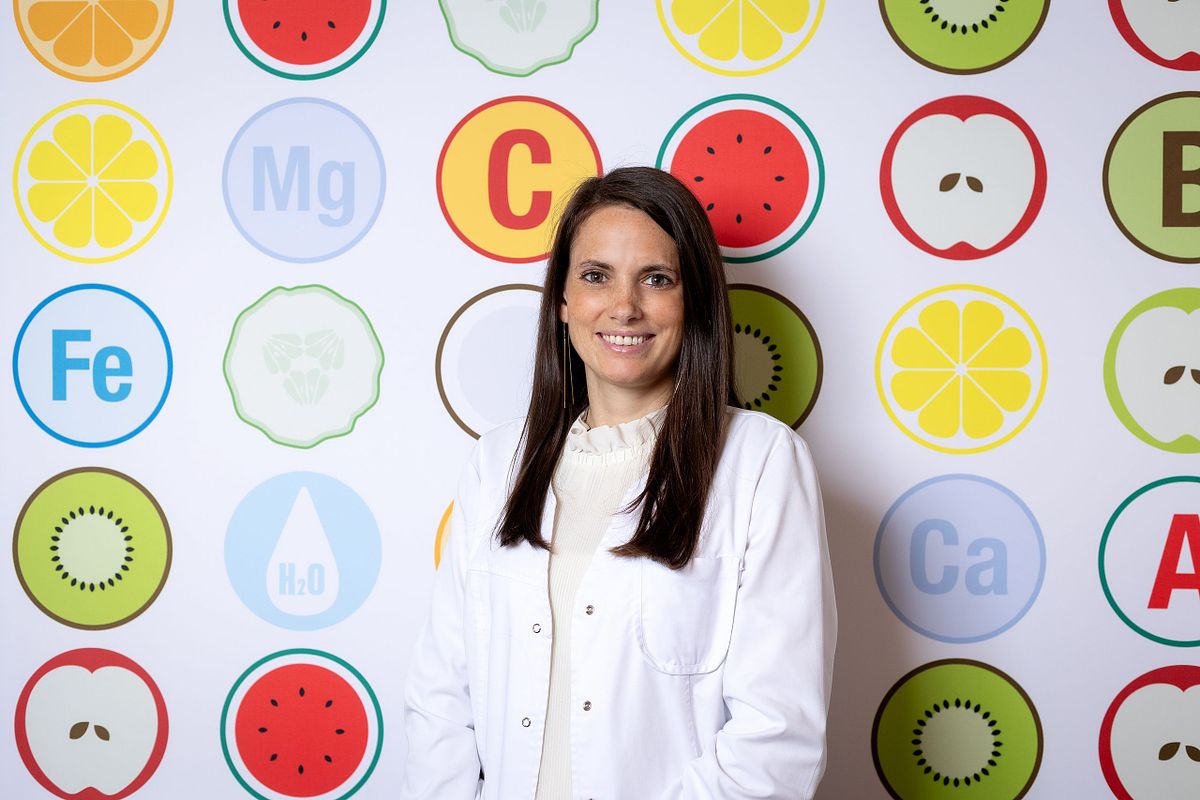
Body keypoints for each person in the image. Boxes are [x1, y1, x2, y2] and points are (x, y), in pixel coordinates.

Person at [401, 166, 836, 799]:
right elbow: (441, 697)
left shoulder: (762, 462)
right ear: (562, 301)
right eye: (596, 275)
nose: (624, 306)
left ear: (694, 301)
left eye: (656, 279)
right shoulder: (496, 462)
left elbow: (777, 735)